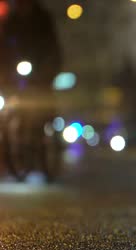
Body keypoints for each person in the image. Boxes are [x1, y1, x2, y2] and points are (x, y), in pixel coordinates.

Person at [0, 0, 62, 181]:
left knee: (44, 106)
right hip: (16, 75)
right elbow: (4, 48)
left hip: (41, 72)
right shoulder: (11, 20)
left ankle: (46, 139)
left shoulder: (43, 18)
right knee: (10, 106)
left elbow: (52, 47)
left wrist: (49, 70)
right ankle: (15, 145)